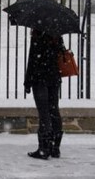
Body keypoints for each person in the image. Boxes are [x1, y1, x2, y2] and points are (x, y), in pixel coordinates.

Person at [24, 29, 64, 160]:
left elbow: (32, 60)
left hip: (39, 78)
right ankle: (55, 147)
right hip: (54, 77)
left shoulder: (37, 35)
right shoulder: (57, 36)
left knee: (44, 112)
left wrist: (27, 81)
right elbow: (60, 55)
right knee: (54, 109)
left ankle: (44, 148)